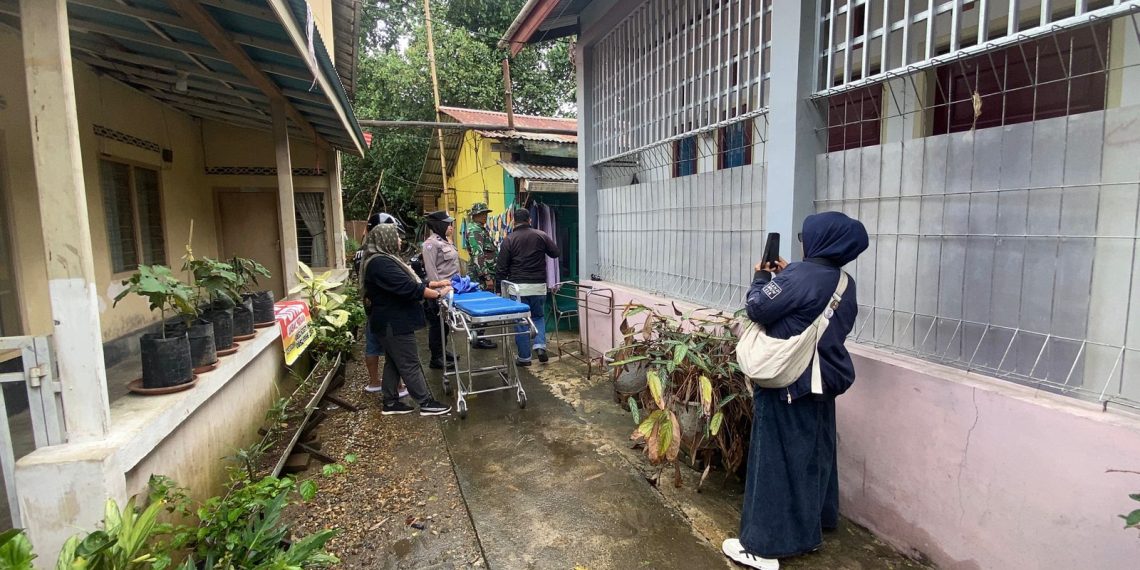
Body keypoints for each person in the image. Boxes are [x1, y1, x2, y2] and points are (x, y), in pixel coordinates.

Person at [721, 212, 868, 570]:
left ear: (822, 240)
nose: (803, 240)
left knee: (775, 461)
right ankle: (814, 526)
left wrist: (762, 277)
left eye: (807, 235)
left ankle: (763, 547)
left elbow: (757, 307)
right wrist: (786, 277)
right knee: (813, 456)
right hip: (824, 383)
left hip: (790, 382)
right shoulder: (843, 282)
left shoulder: (800, 275)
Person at [359, 223, 453, 416]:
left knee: (394, 361)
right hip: (393, 322)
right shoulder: (380, 263)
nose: (400, 240)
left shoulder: (386, 259)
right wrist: (438, 294)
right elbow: (408, 288)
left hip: (391, 321)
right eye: (396, 236)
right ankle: (426, 402)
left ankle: (390, 402)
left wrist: (435, 283)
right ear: (386, 240)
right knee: (410, 363)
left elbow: (412, 280)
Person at [495, 208, 560, 366]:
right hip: (538, 286)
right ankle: (540, 346)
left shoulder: (509, 239)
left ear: (513, 222)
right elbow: (555, 252)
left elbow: (501, 268)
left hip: (518, 288)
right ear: (529, 220)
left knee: (521, 321)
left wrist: (498, 289)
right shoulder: (541, 235)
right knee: (538, 317)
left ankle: (524, 358)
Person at [359, 213, 408, 396]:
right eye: (394, 234)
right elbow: (397, 285)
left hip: (371, 306)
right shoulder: (381, 258)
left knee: (372, 344)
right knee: (393, 349)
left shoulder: (363, 252)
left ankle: (374, 382)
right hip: (384, 309)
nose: (398, 239)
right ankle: (398, 386)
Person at [422, 210, 460, 369]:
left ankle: (443, 351)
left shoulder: (446, 241)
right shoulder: (430, 244)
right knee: (437, 326)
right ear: (439, 225)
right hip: (438, 293)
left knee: (445, 324)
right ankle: (436, 358)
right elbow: (432, 274)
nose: (451, 226)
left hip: (450, 290)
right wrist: (438, 290)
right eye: (447, 224)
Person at [463, 202, 498, 350]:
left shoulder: (480, 229)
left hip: (483, 274)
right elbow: (478, 255)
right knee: (482, 306)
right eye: (482, 213)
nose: (485, 216)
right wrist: (487, 277)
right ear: (475, 215)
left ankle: (478, 336)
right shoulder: (475, 230)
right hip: (481, 276)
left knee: (483, 305)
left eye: (486, 213)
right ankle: (478, 337)